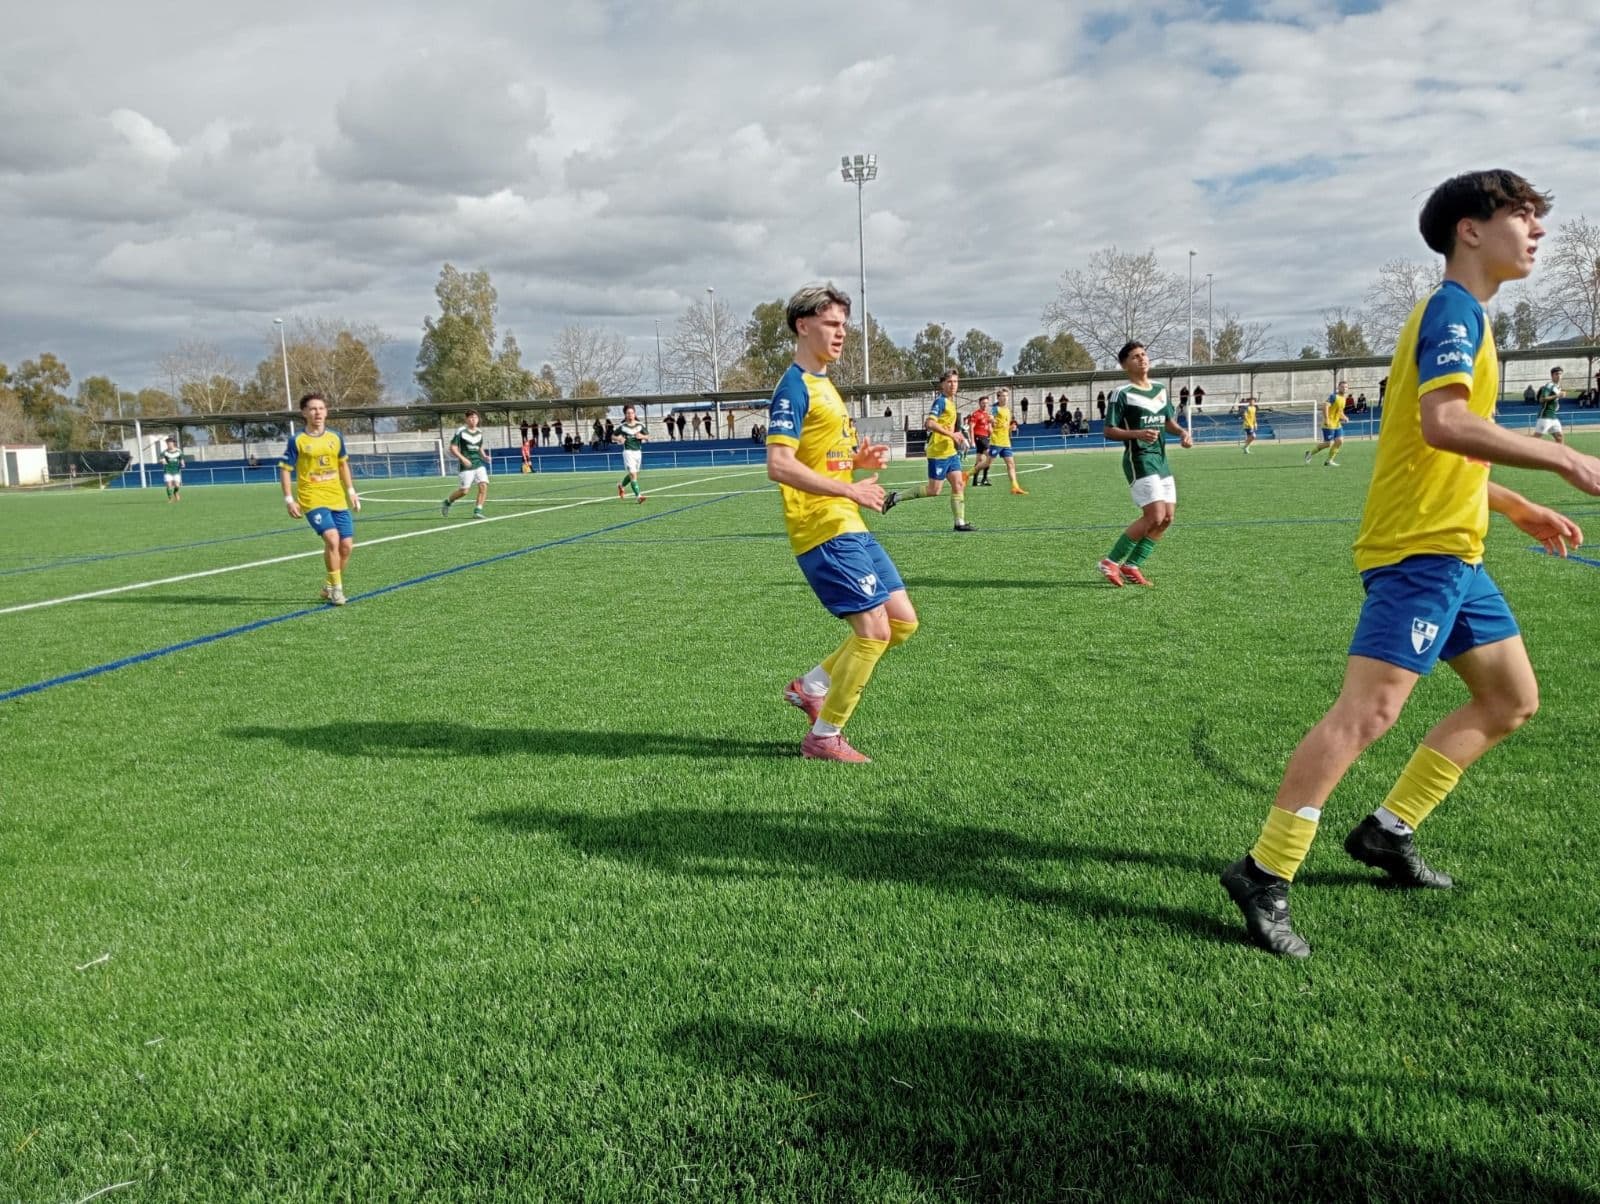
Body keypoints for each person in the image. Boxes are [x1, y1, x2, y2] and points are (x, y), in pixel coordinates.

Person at [1221, 169, 1600, 959]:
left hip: (1458, 548)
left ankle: (1387, 833)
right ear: (1471, 227)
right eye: (1523, 216)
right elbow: (1444, 422)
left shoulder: (1472, 320)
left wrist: (1512, 504)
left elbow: (1444, 450)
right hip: (1420, 550)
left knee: (1509, 699)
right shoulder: (1453, 310)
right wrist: (1556, 460)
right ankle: (1265, 871)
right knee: (1369, 712)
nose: (1537, 232)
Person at [767, 282, 917, 763]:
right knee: (873, 630)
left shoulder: (825, 385)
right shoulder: (793, 387)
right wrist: (850, 488)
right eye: (832, 325)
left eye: (844, 327)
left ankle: (812, 686)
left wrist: (857, 463)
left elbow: (824, 460)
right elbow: (780, 465)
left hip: (848, 520)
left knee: (902, 623)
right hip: (821, 526)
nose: (840, 335)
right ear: (802, 325)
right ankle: (824, 737)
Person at [1097, 341, 1192, 588]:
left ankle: (1132, 565)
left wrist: (1182, 432)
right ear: (1124, 364)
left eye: (1144, 354)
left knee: (1168, 518)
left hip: (1161, 460)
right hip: (1138, 458)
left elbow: (1167, 421)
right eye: (1135, 356)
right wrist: (1137, 434)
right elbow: (1108, 430)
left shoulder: (1160, 389)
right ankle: (1110, 561)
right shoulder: (1122, 394)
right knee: (1154, 515)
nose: (1143, 359)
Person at [279, 391, 360, 606]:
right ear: (304, 413)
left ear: (326, 412)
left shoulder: (335, 437)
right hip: (312, 498)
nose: (318, 412)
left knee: (347, 546)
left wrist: (351, 491)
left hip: (337, 497)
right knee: (332, 539)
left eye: (321, 408)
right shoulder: (297, 441)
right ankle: (337, 591)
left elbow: (343, 464)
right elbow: (286, 469)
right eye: (313, 409)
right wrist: (289, 499)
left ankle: (329, 584)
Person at [881, 368, 975, 531]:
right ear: (942, 385)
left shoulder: (952, 403)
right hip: (938, 452)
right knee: (934, 490)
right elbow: (929, 424)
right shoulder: (941, 401)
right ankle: (895, 497)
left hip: (950, 451)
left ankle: (959, 522)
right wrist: (951, 434)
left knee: (958, 484)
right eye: (949, 382)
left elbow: (947, 426)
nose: (953, 385)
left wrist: (958, 435)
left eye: (955, 382)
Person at [441, 407, 490, 519]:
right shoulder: (461, 431)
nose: (474, 420)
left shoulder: (479, 432)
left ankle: (477, 511)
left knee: (483, 485)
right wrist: (463, 459)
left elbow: (480, 447)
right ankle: (447, 502)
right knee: (464, 491)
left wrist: (484, 456)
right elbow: (453, 447)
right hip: (466, 465)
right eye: (471, 418)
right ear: (466, 419)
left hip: (478, 463)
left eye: (476, 418)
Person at [990, 386, 1027, 494]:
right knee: (987, 464)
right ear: (998, 397)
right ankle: (967, 475)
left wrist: (1011, 428)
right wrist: (992, 420)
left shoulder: (1008, 410)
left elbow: (1006, 426)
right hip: (996, 441)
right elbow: (991, 417)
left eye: (1007, 396)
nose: (1005, 398)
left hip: (1006, 441)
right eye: (1003, 396)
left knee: (1011, 464)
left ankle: (1015, 487)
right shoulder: (995, 408)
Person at [1305, 378, 1349, 466]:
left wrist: (1344, 417)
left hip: (1337, 424)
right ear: (1338, 387)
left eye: (1346, 387)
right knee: (1328, 443)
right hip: (1329, 424)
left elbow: (1340, 411)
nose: (1344, 388)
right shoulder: (1333, 396)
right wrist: (1327, 419)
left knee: (1339, 441)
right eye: (1342, 387)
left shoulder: (1344, 399)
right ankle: (1309, 453)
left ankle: (1329, 461)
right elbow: (1325, 406)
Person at [614, 403, 648, 503]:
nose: (630, 415)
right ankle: (638, 497)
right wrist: (619, 438)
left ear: (634, 414)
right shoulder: (622, 427)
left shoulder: (640, 425)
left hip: (638, 452)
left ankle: (621, 486)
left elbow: (647, 436)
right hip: (628, 452)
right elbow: (613, 436)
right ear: (625, 415)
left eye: (632, 413)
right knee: (633, 475)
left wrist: (641, 437)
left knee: (634, 474)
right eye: (628, 413)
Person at [967, 395, 995, 485]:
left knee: (979, 461)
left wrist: (994, 436)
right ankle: (984, 478)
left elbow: (989, 429)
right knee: (990, 457)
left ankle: (975, 481)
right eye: (983, 403)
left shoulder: (988, 415)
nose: (985, 405)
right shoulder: (976, 414)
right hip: (979, 437)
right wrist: (972, 441)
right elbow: (971, 428)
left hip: (985, 438)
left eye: (986, 403)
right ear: (979, 404)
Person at [1532, 366, 1565, 442]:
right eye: (1556, 374)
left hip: (1553, 416)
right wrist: (1557, 395)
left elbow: (1554, 400)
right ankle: (1521, 450)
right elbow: (1542, 399)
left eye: (1560, 374)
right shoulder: (1549, 386)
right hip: (1545, 416)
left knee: (1559, 437)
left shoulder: (1558, 387)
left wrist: (1556, 404)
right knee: (1535, 439)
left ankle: (1558, 454)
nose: (1559, 376)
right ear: (1552, 376)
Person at [160, 437, 184, 503]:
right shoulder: (164, 452)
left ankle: (175, 492)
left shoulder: (179, 451)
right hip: (167, 470)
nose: (168, 445)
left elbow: (181, 459)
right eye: (167, 444)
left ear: (173, 443)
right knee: (169, 485)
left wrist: (183, 464)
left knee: (177, 485)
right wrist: (162, 461)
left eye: (170, 443)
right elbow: (161, 459)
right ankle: (170, 498)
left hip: (176, 470)